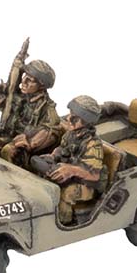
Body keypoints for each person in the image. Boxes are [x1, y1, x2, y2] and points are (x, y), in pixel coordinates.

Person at [30, 96, 105, 226]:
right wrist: (52, 157)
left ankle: (65, 222)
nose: (68, 119)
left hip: (86, 184)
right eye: (70, 115)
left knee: (66, 193)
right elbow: (62, 149)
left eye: (74, 118)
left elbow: (94, 175)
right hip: (67, 173)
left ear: (86, 122)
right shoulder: (71, 134)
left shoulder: (93, 145)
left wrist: (72, 170)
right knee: (39, 174)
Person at [0, 59, 61, 166]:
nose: (24, 82)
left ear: (42, 86)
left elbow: (53, 131)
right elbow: (13, 113)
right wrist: (3, 103)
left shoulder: (47, 109)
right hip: (9, 137)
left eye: (30, 80)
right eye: (25, 76)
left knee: (8, 151)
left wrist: (30, 143)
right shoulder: (21, 96)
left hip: (24, 149)